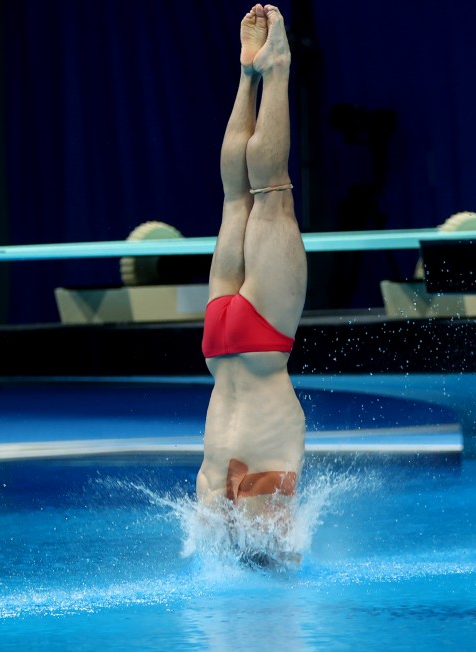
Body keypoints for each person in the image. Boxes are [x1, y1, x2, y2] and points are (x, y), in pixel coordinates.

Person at [196, 4, 307, 565]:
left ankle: (275, 70)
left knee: (271, 196)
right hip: (219, 345)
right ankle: (248, 72)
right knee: (238, 196)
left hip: (259, 344)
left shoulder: (257, 496)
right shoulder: (212, 496)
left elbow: (284, 563)